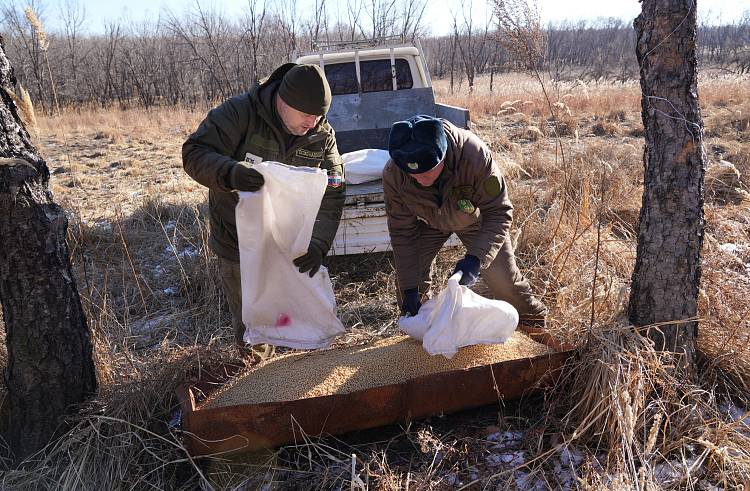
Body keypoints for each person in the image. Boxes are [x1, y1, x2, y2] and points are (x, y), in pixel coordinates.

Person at [182, 63, 346, 356]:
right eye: (306, 114)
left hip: (291, 244)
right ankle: (257, 382)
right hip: (239, 243)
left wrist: (319, 243)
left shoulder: (322, 135)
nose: (313, 122)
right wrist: (229, 173)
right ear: (284, 100)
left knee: (304, 314)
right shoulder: (240, 113)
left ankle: (299, 378)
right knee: (255, 323)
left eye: (319, 115)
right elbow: (195, 153)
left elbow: (334, 190)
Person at [383, 114, 547, 329]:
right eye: (414, 175)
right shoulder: (394, 174)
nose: (421, 179)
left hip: (476, 221)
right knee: (409, 286)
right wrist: (410, 290)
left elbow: (498, 212)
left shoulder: (474, 156)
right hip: (429, 222)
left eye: (428, 171)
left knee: (504, 281)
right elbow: (402, 233)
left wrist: (475, 260)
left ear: (443, 156)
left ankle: (533, 325)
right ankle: (426, 332)